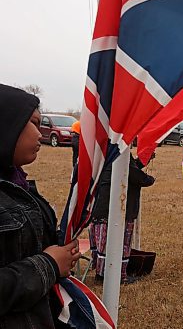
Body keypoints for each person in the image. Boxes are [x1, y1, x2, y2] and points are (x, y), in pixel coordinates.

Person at [0, 84, 81, 328]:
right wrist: (49, 265)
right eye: (33, 123)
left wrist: (61, 250)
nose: (40, 134)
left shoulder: (19, 185)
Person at [89, 154, 155, 284]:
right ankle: (116, 276)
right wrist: (149, 179)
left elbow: (126, 167)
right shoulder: (120, 151)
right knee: (119, 243)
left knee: (104, 243)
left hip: (102, 208)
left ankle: (101, 272)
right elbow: (133, 174)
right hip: (113, 210)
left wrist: (142, 162)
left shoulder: (108, 151)